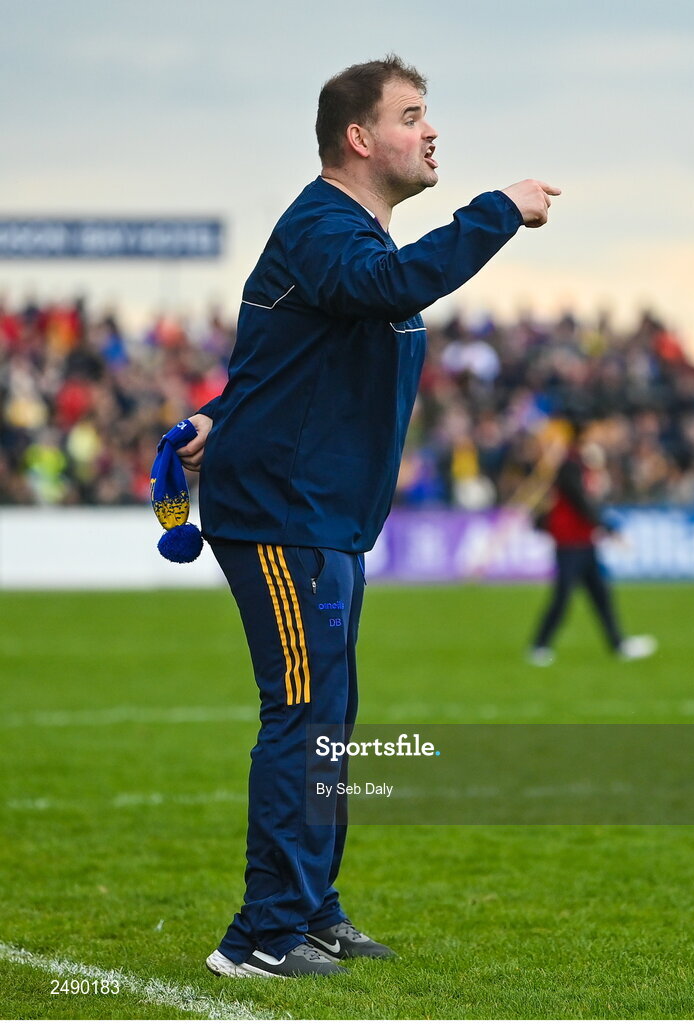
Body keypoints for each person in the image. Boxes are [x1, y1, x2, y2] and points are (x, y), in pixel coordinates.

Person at [177, 54, 560, 979]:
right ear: (360, 138)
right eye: (412, 115)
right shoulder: (325, 226)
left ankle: (311, 909)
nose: (432, 132)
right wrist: (496, 210)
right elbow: (388, 293)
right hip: (282, 516)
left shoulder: (351, 242)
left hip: (324, 518)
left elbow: (289, 360)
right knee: (303, 717)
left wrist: (214, 417)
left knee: (327, 723)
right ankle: (264, 936)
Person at [528, 420, 657, 666]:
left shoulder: (581, 462)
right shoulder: (569, 464)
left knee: (600, 595)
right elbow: (580, 502)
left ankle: (618, 644)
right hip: (570, 541)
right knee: (563, 596)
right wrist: (608, 528)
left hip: (584, 540)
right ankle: (539, 646)